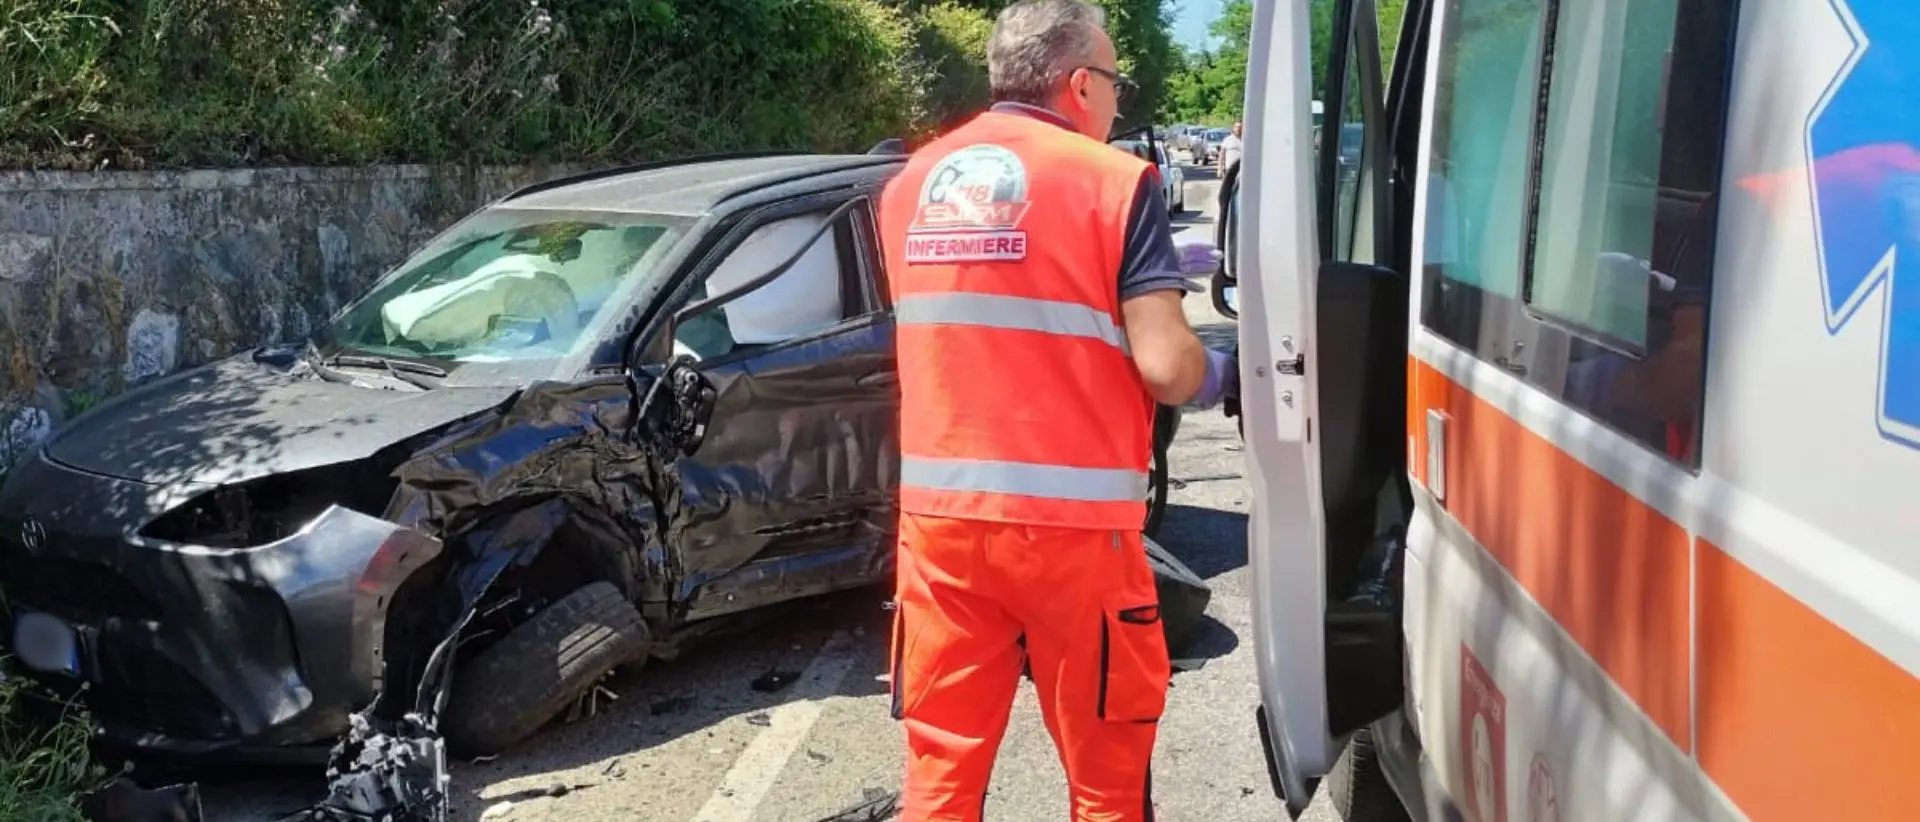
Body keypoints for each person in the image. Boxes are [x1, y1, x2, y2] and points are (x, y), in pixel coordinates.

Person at [874, 1, 1237, 820]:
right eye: (1116, 82)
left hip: (943, 528)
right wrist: (1227, 372)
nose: (1118, 100)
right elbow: (1167, 367)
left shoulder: (910, 185)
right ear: (1080, 84)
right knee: (1107, 782)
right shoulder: (1114, 182)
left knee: (940, 776)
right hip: (1075, 536)